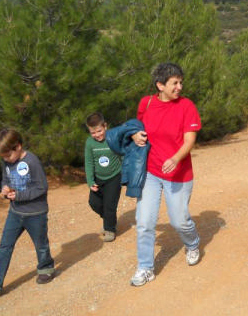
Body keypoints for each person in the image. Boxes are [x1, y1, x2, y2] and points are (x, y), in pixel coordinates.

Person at [129, 63, 201, 287]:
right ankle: (145, 267)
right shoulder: (146, 103)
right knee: (144, 221)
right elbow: (138, 127)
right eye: (174, 83)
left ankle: (192, 243)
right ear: (160, 85)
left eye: (181, 82)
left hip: (178, 172)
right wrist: (135, 135)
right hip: (150, 171)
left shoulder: (187, 106)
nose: (179, 87)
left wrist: (176, 159)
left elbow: (189, 140)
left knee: (179, 221)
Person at [0, 129, 55, 296]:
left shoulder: (32, 161)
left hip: (36, 213)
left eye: (8, 156)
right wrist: (5, 190)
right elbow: (6, 179)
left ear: (18, 147)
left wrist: (19, 195)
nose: (6, 159)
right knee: (5, 245)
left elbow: (41, 187)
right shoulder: (6, 162)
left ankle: (46, 268)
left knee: (40, 244)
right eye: (3, 157)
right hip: (15, 212)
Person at [84, 112, 123, 242]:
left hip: (114, 177)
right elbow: (89, 162)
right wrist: (90, 181)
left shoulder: (113, 138)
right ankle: (108, 220)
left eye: (99, 131)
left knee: (109, 205)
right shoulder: (90, 143)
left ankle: (110, 229)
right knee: (94, 203)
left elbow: (123, 155)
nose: (97, 135)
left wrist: (126, 174)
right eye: (93, 133)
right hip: (98, 179)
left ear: (105, 126)